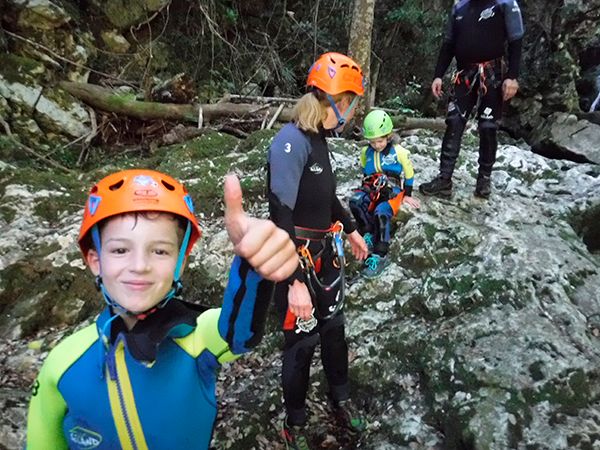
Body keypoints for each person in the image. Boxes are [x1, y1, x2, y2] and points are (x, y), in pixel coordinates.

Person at [26, 169, 298, 450]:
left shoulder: (193, 336)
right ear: (95, 261)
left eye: (160, 251)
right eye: (120, 250)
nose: (140, 266)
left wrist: (252, 266)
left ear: (180, 263)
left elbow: (239, 332)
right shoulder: (61, 365)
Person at [267, 52, 369, 449]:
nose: (354, 110)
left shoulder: (319, 141)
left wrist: (354, 229)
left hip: (325, 256)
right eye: (353, 102)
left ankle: (339, 398)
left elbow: (326, 199)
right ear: (340, 101)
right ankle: (295, 419)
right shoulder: (290, 142)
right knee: (301, 342)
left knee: (334, 332)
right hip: (296, 260)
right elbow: (280, 213)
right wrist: (293, 281)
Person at [419, 0, 524, 199]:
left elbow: (516, 40)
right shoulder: (460, 8)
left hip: (492, 73)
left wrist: (512, 76)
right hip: (464, 73)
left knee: (488, 126)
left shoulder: (505, 4)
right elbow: (448, 44)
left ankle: (484, 179)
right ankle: (444, 179)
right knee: (454, 121)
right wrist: (438, 75)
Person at [349, 109, 420, 278]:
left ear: (388, 136)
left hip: (392, 189)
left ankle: (381, 253)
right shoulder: (366, 152)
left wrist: (407, 194)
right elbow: (365, 172)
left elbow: (409, 174)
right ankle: (368, 233)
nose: (376, 145)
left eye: (380, 141)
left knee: (381, 212)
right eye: (372, 142)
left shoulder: (399, 152)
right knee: (355, 201)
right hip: (373, 185)